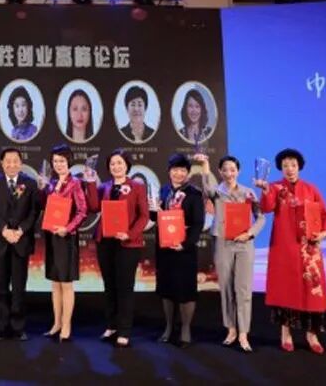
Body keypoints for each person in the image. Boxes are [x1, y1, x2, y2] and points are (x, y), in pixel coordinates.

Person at [255, 148, 326, 355]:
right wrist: (265, 190)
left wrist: (324, 233)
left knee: (312, 291)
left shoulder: (311, 189)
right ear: (280, 168)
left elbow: (325, 214)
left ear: (299, 167)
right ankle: (285, 333)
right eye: (285, 165)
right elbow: (267, 207)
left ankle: (312, 335)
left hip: (309, 249)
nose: (290, 169)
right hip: (284, 247)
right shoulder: (275, 187)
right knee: (285, 289)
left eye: (293, 165)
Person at [198, 154, 265, 352]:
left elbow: (261, 217)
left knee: (243, 289)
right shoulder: (216, 192)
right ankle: (231, 329)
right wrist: (205, 165)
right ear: (220, 172)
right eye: (225, 170)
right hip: (223, 243)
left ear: (238, 171)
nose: (229, 173)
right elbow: (207, 188)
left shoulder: (248, 192)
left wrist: (250, 233)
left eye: (232, 169)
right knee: (226, 288)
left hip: (244, 244)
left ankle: (244, 333)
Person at [85, 149, 149, 348]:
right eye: (112, 164)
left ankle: (124, 330)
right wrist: (90, 182)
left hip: (127, 243)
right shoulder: (104, 186)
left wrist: (129, 234)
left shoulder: (137, 187)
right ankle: (112, 325)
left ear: (127, 165)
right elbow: (93, 207)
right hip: (105, 242)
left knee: (125, 287)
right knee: (110, 285)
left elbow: (144, 216)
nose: (116, 167)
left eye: (119, 163)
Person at [0, 147, 41, 341]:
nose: (11, 164)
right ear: (2, 163)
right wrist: (4, 230)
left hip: (20, 241)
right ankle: (1, 327)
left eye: (15, 161)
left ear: (21, 162)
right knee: (0, 287)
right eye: (7, 161)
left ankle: (18, 327)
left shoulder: (30, 183)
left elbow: (34, 212)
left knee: (18, 287)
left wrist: (20, 230)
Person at [154, 153, 205, 348]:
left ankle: (185, 329)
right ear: (169, 172)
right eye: (175, 170)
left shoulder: (194, 193)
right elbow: (156, 218)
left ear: (188, 173)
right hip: (165, 247)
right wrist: (153, 210)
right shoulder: (164, 190)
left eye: (183, 170)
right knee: (166, 288)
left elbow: (198, 223)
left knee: (186, 290)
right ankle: (168, 327)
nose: (178, 173)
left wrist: (185, 244)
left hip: (185, 248)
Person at [38, 144, 87, 342]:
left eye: (62, 161)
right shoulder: (50, 184)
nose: (58, 164)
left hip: (66, 238)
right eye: (55, 161)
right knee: (55, 283)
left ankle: (67, 325)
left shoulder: (75, 183)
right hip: (51, 236)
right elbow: (44, 206)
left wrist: (67, 228)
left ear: (69, 162)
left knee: (66, 284)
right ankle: (56, 323)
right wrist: (42, 189)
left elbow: (82, 211)